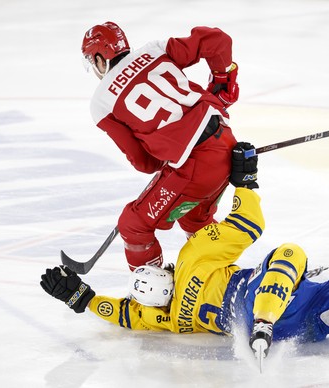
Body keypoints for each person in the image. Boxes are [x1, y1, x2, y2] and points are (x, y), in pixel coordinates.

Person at [40, 143, 329, 362]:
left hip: (305, 326)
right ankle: (260, 324)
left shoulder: (154, 314)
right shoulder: (196, 257)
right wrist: (245, 181)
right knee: (291, 254)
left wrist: (78, 297)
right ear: (167, 268)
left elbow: (118, 312)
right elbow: (247, 223)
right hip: (255, 300)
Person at [80, 22, 240, 270]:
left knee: (133, 225)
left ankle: (153, 297)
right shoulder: (155, 50)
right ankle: (218, 278)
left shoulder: (101, 103)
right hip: (227, 145)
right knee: (195, 218)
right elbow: (217, 40)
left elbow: (144, 163)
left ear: (101, 58)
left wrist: (163, 151)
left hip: (195, 168)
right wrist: (223, 81)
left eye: (93, 60)